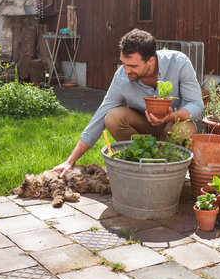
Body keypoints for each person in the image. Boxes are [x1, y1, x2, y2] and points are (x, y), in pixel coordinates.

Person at [51, 28, 204, 177]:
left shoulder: (179, 63)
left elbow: (197, 106)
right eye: (123, 64)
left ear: (150, 61)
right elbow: (99, 117)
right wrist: (70, 161)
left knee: (185, 129)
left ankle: (170, 171)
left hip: (172, 125)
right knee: (113, 117)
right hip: (143, 128)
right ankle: (143, 163)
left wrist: (171, 117)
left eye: (132, 66)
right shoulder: (122, 77)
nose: (126, 71)